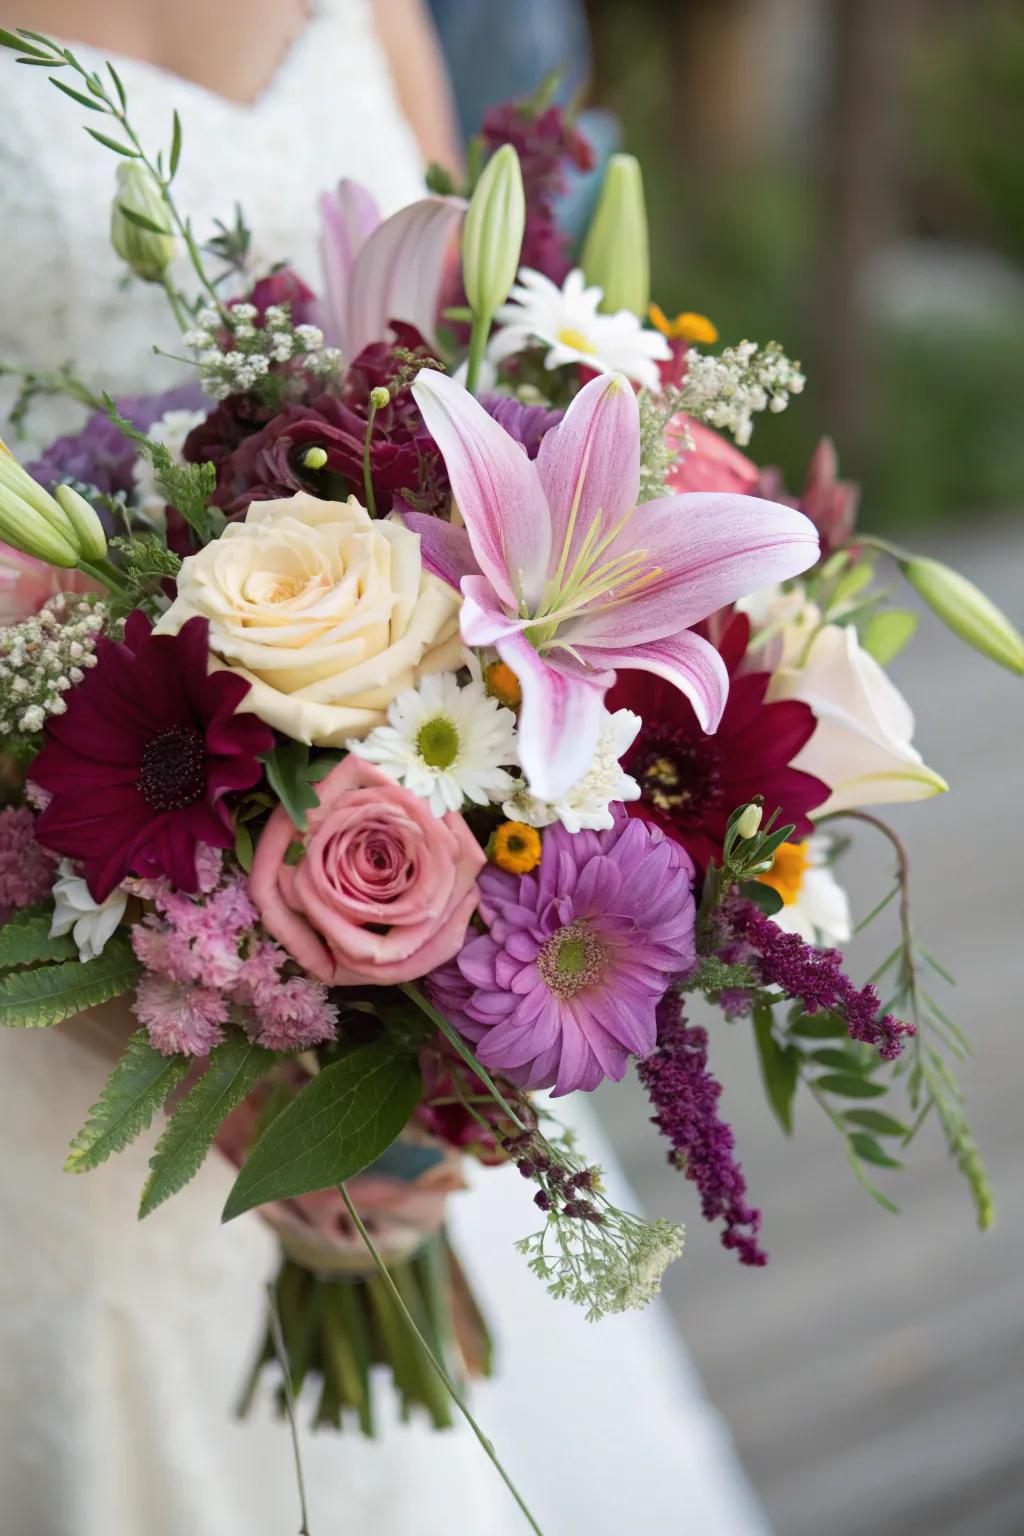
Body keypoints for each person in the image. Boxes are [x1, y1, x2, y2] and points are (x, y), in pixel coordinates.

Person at [0, 4, 771, 1532]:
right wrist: (193, 1035)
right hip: (63, 938)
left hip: (385, 825)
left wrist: (414, 1043)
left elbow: (463, 375)